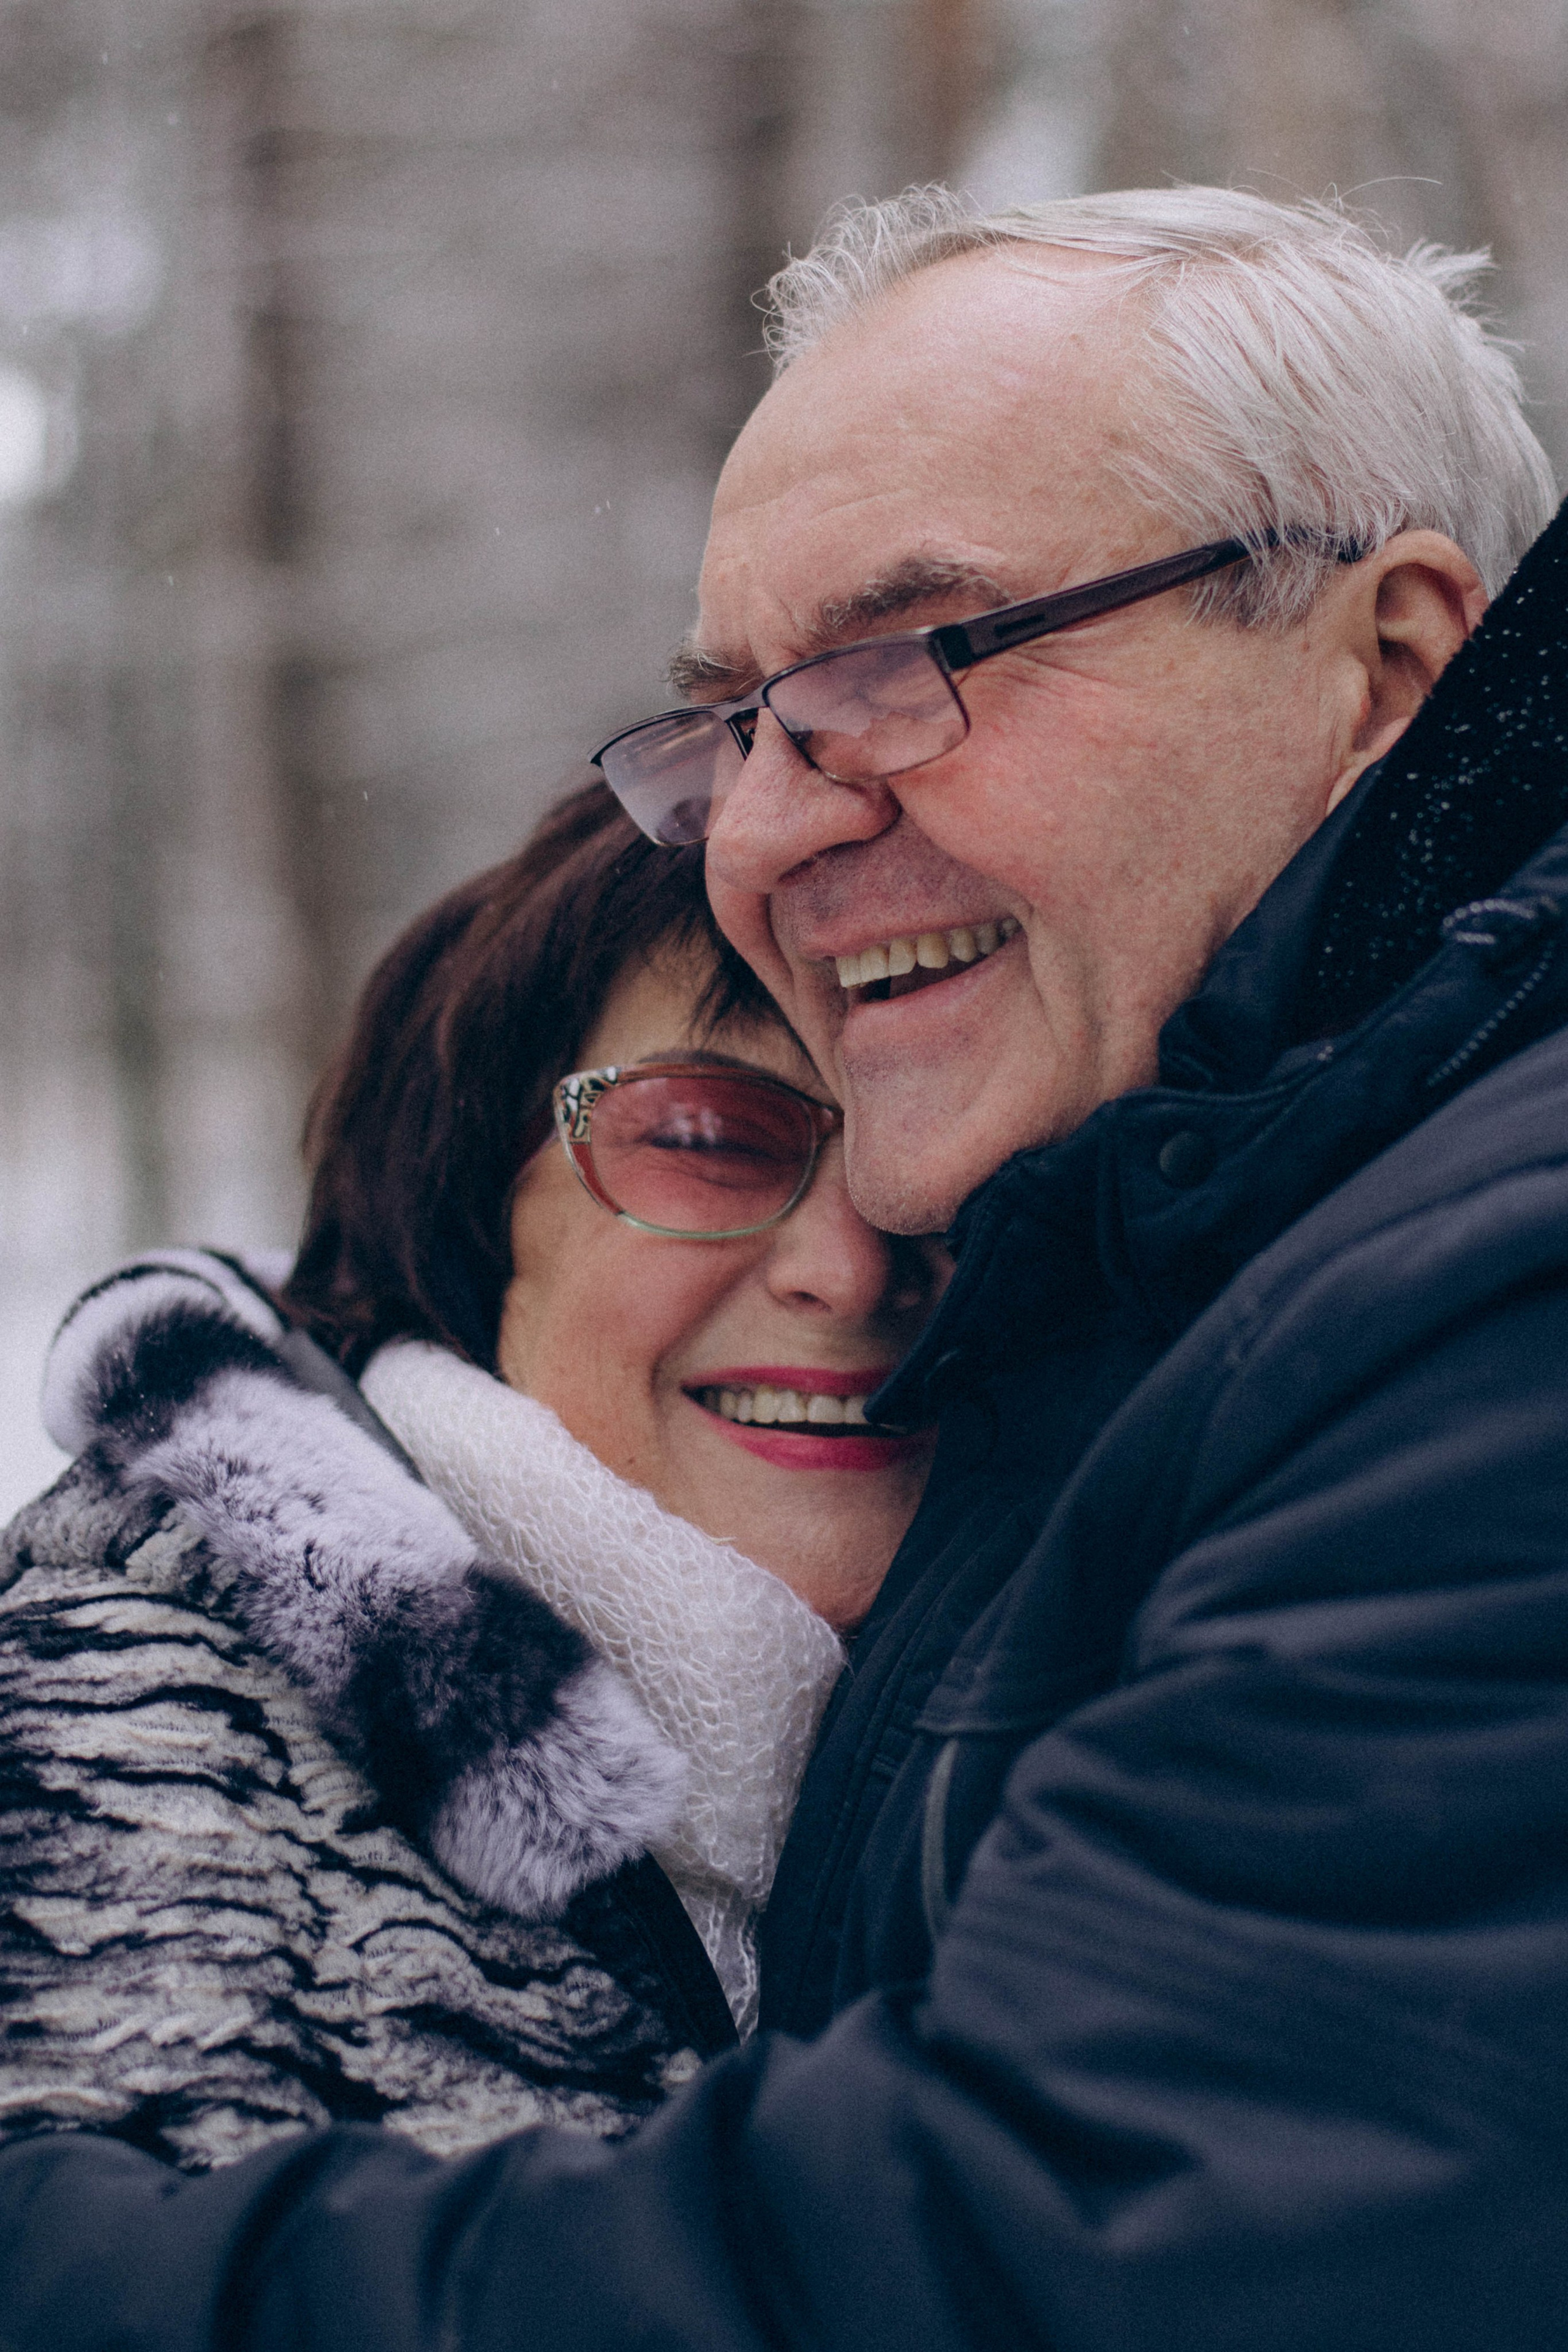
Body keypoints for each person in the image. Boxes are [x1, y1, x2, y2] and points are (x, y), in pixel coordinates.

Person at [4, 184, 1568, 2350]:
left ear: (1387, 660)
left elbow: (1061, 2254)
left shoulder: (1479, 1288)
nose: (760, 827)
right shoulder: (1208, 1256)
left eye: (900, 667)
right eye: (733, 720)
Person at [0, 780, 942, 2168]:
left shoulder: (1123, 1735)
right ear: (467, 1212)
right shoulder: (107, 1753)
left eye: (931, 1174)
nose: (845, 1267)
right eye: (701, 1138)